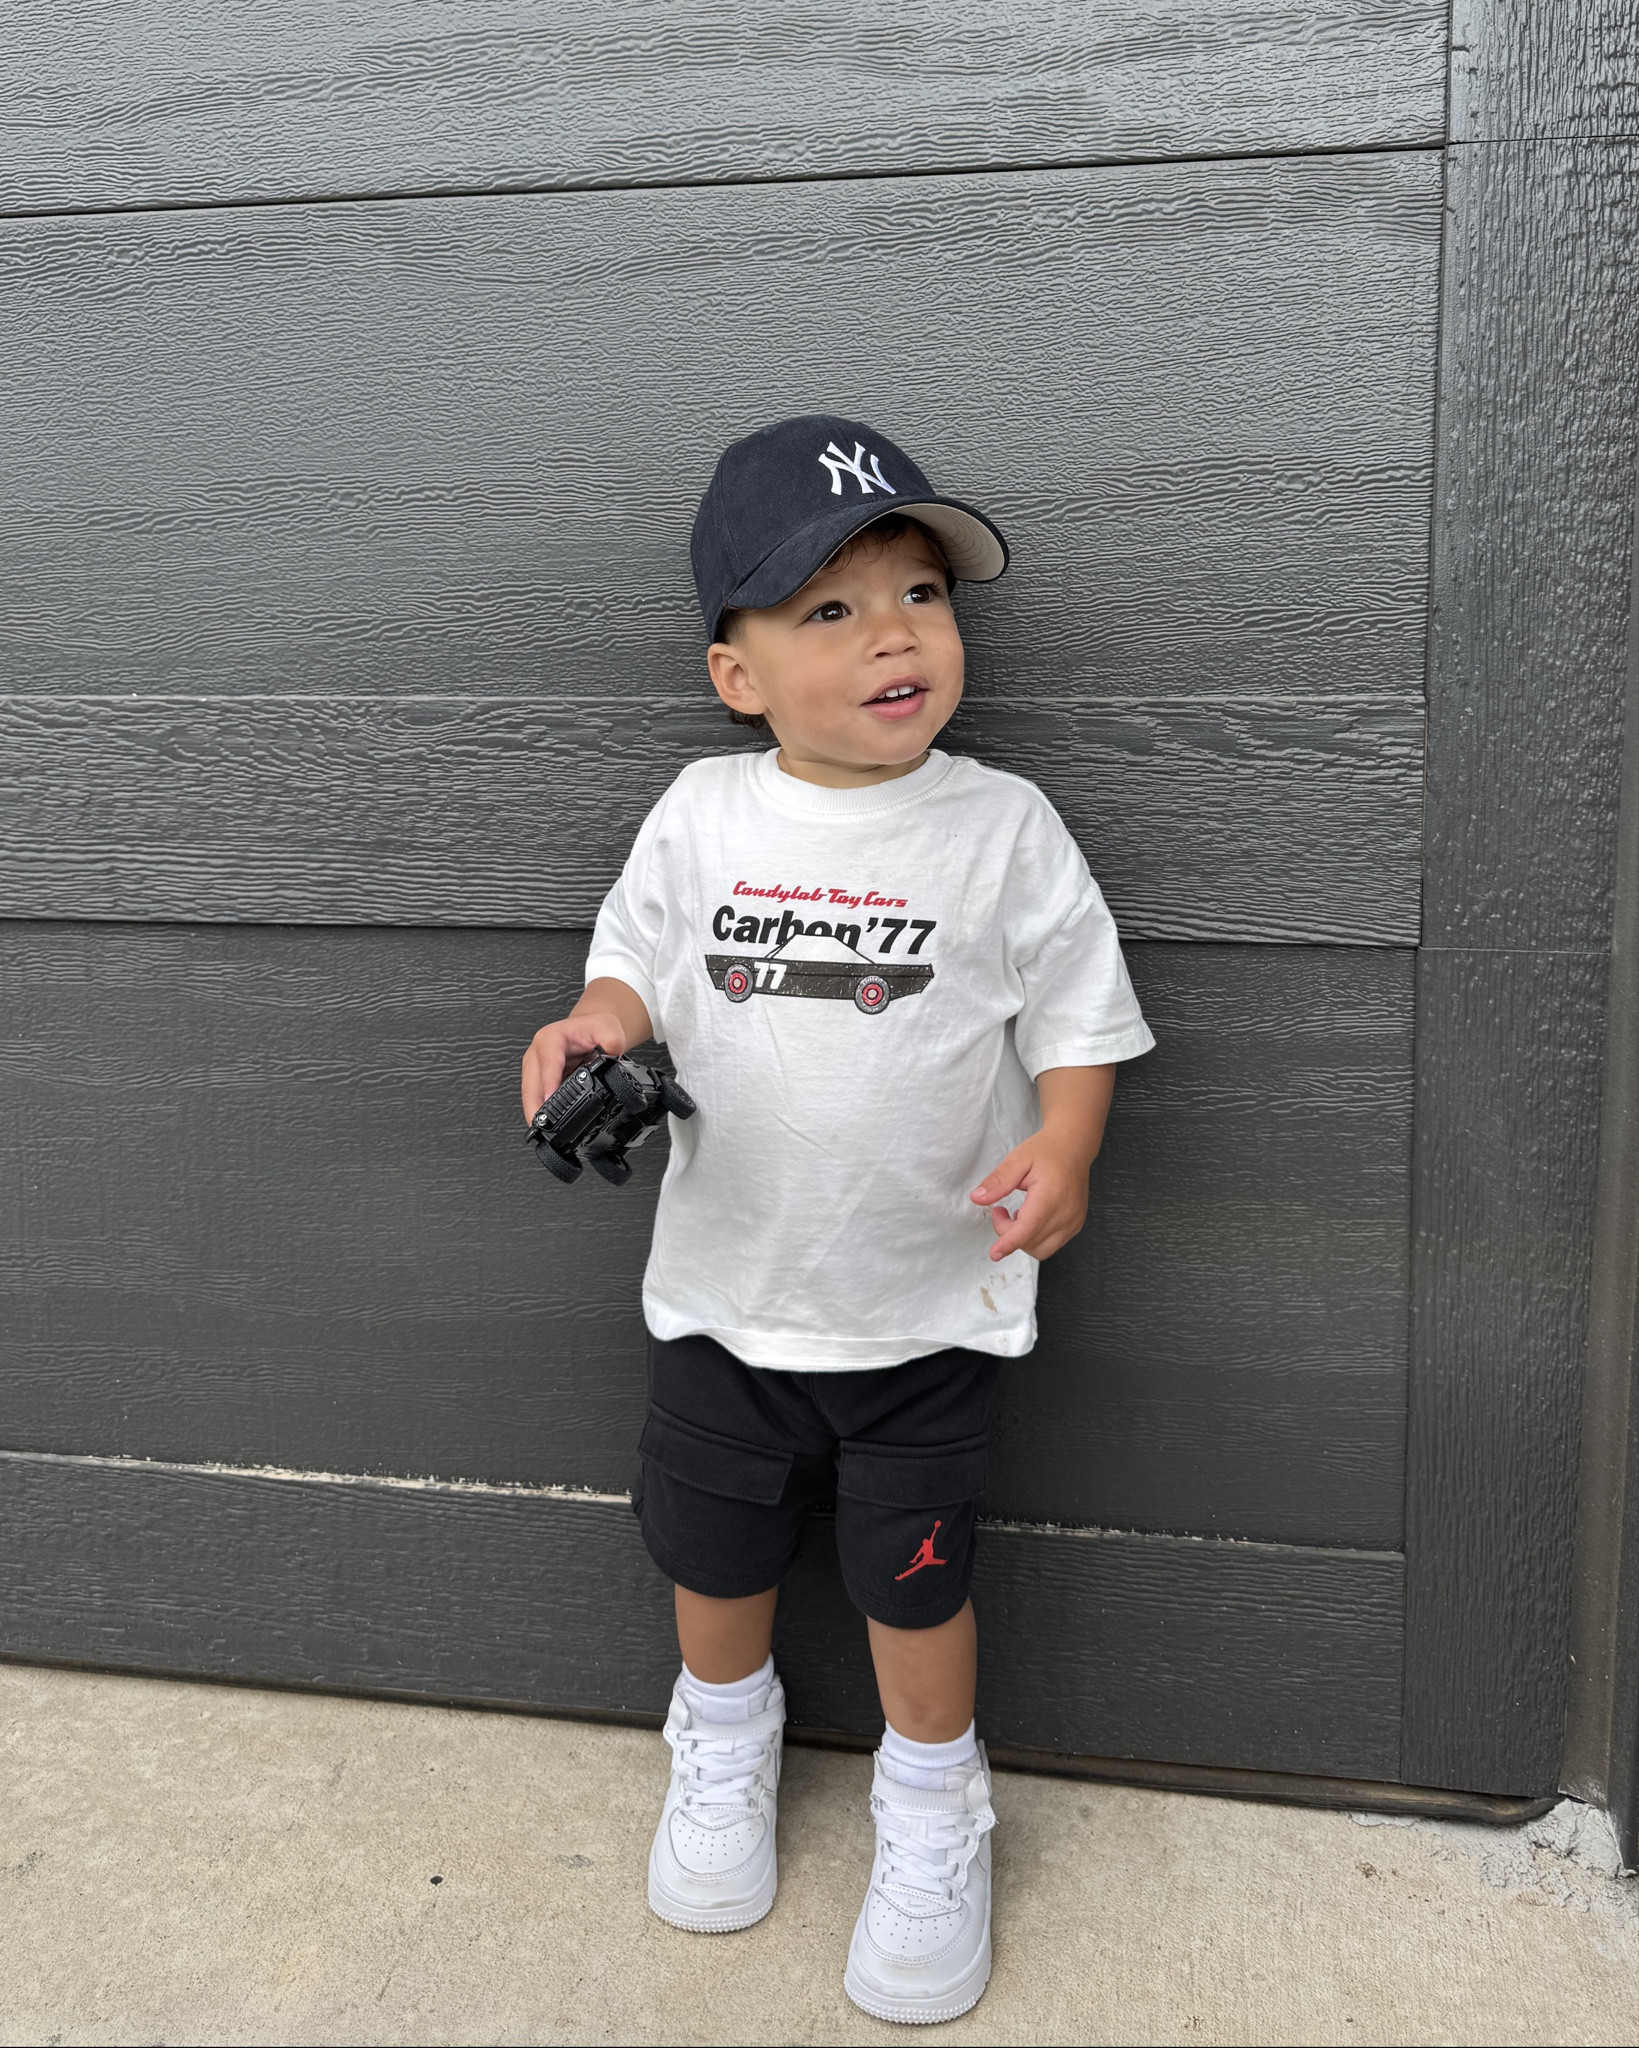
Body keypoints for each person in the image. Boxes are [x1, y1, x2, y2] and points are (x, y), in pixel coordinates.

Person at [520, 415, 1153, 2023]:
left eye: (923, 594)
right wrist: (587, 1033)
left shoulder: (1002, 827)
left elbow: (1078, 1018)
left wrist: (1067, 1144)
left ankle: (935, 1811)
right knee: (713, 1554)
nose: (896, 633)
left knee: (915, 1581)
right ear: (735, 675)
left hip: (929, 1314)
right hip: (728, 1295)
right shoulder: (700, 816)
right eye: (830, 607)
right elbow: (630, 972)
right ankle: (721, 1747)